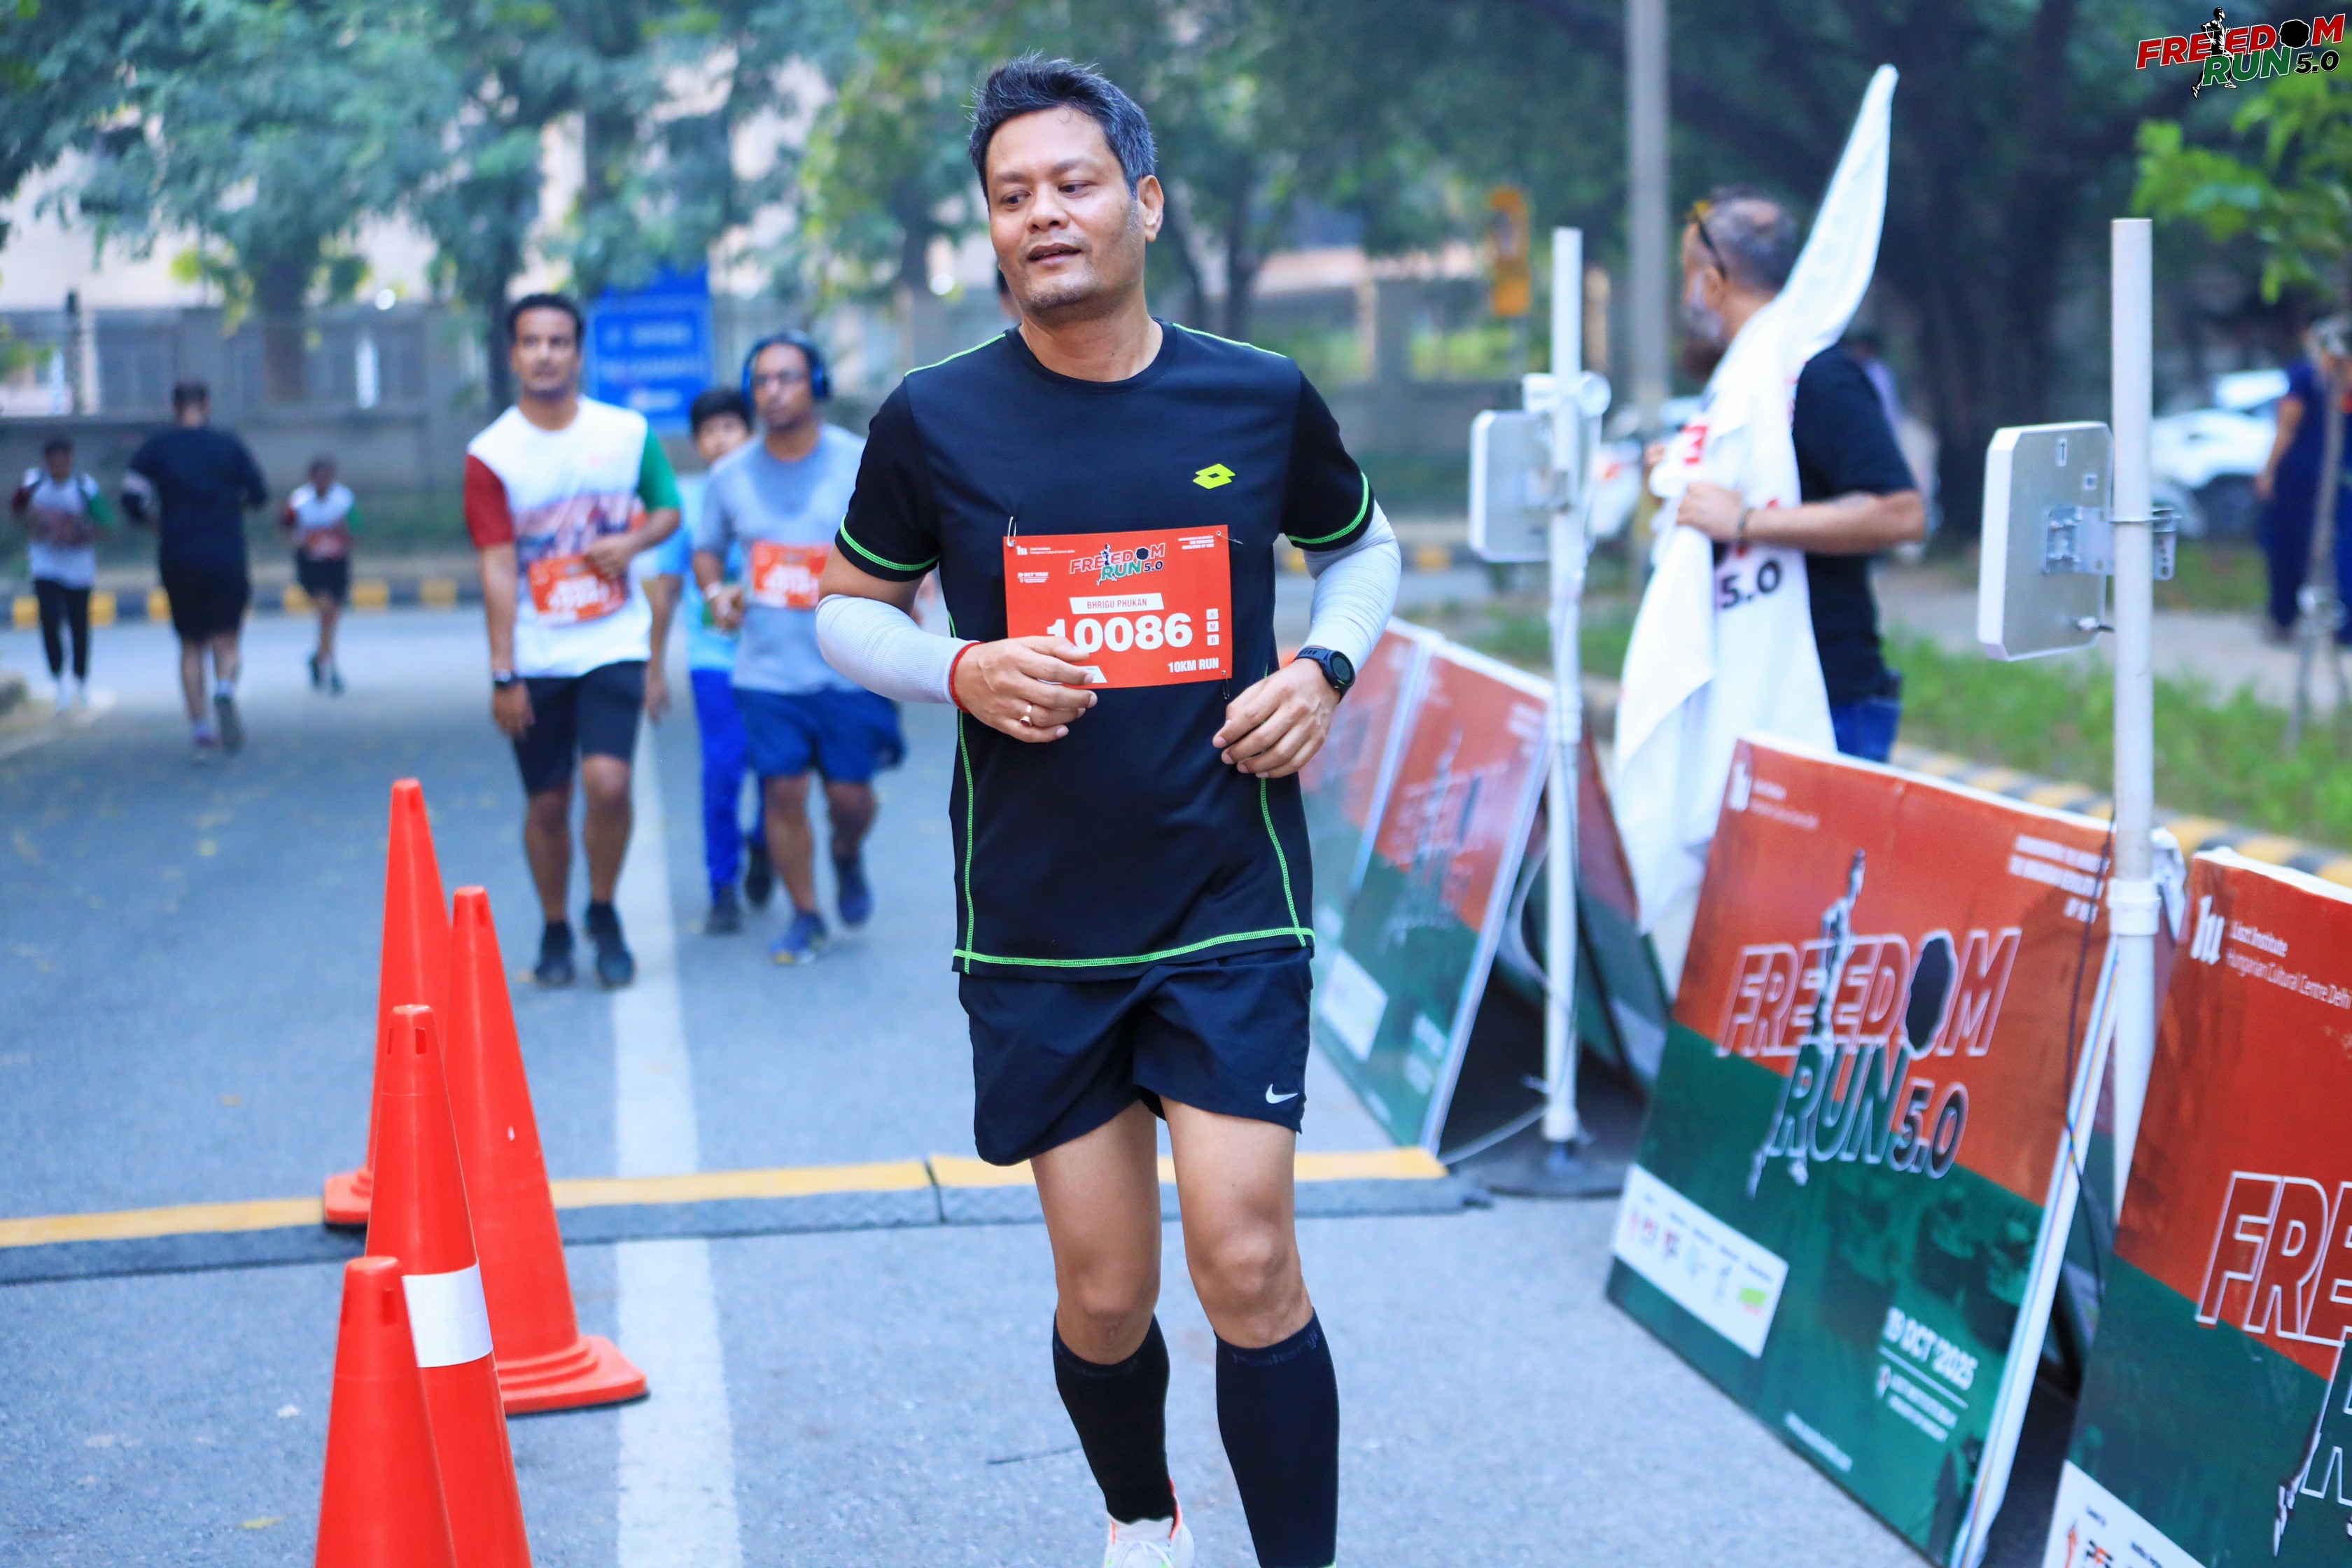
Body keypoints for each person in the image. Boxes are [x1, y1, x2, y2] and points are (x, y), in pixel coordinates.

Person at [815, 57, 1399, 1568]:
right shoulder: (934, 418)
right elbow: (846, 609)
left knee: (1247, 1254)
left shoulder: (1255, 394)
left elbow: (1362, 547)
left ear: (1144, 201)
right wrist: (958, 665)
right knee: (1104, 1293)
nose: (1044, 215)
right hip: (1039, 920)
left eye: (1073, 184)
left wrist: (1324, 668)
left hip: (1226, 894)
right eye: (1012, 195)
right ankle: (1143, 1517)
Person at [463, 293, 682, 988]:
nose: (545, 354)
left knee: (608, 783)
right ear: (513, 355)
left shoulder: (626, 433)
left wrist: (632, 541)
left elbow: (668, 510)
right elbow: (498, 567)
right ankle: (555, 923)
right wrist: (504, 672)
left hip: (614, 639)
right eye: (531, 342)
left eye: (558, 341)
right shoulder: (491, 455)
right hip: (537, 651)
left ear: (578, 353)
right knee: (548, 801)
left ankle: (604, 909)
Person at [1669, 187, 1926, 762]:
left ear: (1712, 284)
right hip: (1749, 688)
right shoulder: (1741, 383)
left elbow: (1901, 512)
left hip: (1822, 701)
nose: (1685, 297)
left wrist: (1745, 522)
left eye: (1687, 277)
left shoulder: (1815, 374)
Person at [696, 331, 889, 965]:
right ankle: (806, 914)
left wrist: (909, 598)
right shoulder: (729, 475)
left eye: (788, 378)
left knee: (850, 801)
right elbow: (706, 549)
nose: (773, 392)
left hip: (850, 667)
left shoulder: (860, 460)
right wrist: (716, 592)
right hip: (767, 672)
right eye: (762, 381)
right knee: (781, 793)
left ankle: (847, 851)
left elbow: (904, 540)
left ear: (818, 386)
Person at [645, 386, 776, 934]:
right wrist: (654, 668)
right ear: (697, 442)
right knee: (723, 771)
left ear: (750, 433)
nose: (720, 440)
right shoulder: (687, 501)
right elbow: (667, 590)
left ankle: (767, 843)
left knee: (780, 770)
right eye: (708, 431)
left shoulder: (775, 488)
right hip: (713, 661)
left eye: (730, 428)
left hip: (776, 660)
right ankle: (722, 886)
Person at [121, 381, 269, 760]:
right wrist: (229, 509)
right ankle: (225, 688)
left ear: (174, 408)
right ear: (207, 405)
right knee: (227, 639)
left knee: (191, 644)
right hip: (225, 553)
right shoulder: (229, 446)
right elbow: (259, 494)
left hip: (179, 554)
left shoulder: (156, 448)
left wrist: (157, 522)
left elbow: (131, 498)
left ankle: (201, 730)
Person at [2253, 323, 2352, 644]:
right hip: (2340, 473)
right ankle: (2342, 623)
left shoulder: (2305, 376)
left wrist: (2269, 468)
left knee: (2288, 544)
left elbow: (2288, 424)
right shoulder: (2341, 378)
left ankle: (2284, 616)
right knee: (2340, 545)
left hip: (2300, 473)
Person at [11, 436, 112, 712]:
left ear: (71, 460)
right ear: (46, 462)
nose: (58, 467)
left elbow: (107, 523)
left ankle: (80, 678)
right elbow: (16, 510)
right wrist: (38, 523)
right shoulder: (33, 484)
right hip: (45, 564)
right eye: (53, 462)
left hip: (79, 566)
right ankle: (58, 679)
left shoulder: (84, 486)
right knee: (49, 619)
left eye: (63, 461)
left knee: (79, 624)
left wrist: (77, 533)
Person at [281, 454, 358, 693]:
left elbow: (357, 527)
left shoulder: (344, 499)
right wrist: (302, 542)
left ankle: (318, 657)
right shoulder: (298, 501)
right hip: (312, 565)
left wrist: (343, 539)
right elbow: (285, 528)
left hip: (336, 564)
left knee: (331, 616)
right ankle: (332, 668)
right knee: (325, 611)